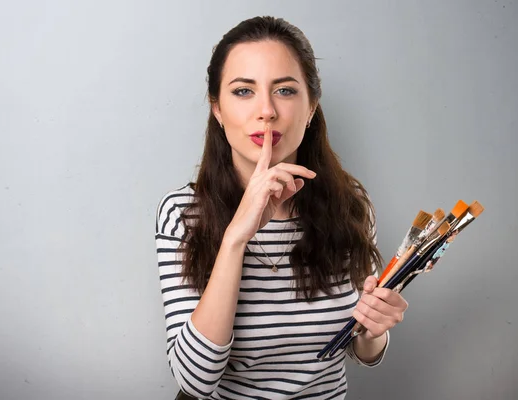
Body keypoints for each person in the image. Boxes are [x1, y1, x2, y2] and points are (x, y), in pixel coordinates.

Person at [154, 16, 409, 400]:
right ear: (217, 110)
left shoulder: (351, 205)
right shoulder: (184, 214)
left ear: (311, 108)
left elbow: (361, 350)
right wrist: (236, 236)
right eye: (243, 91)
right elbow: (194, 381)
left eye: (285, 91)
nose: (266, 111)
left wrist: (375, 330)